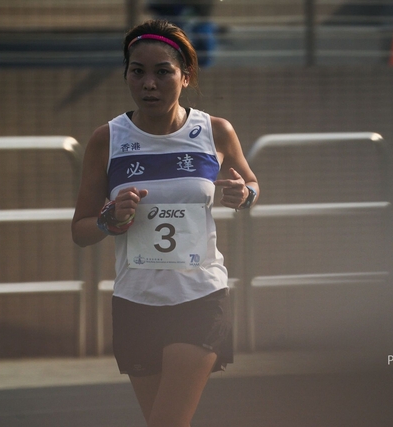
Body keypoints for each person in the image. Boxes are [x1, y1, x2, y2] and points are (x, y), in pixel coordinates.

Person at [71, 19, 259, 427]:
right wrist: (109, 217)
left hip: (200, 295)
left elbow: (251, 184)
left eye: (163, 72)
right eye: (137, 71)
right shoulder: (107, 140)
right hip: (136, 301)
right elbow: (81, 231)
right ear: (126, 75)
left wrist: (244, 196)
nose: (149, 83)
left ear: (186, 76)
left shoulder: (215, 131)